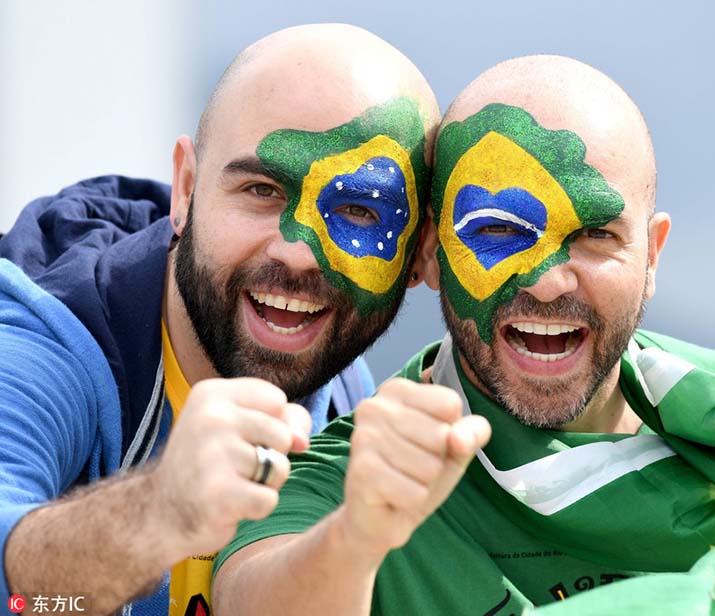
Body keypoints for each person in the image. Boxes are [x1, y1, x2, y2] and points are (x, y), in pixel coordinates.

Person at [211, 55, 715, 615]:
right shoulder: (361, 475)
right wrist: (360, 537)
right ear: (427, 252)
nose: (547, 281)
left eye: (595, 235)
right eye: (497, 230)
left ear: (651, 256)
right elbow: (253, 594)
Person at [0, 24, 439, 616]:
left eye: (359, 210)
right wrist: (157, 511)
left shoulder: (347, 392)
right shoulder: (46, 340)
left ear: (417, 256)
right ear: (186, 187)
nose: (298, 252)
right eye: (262, 189)